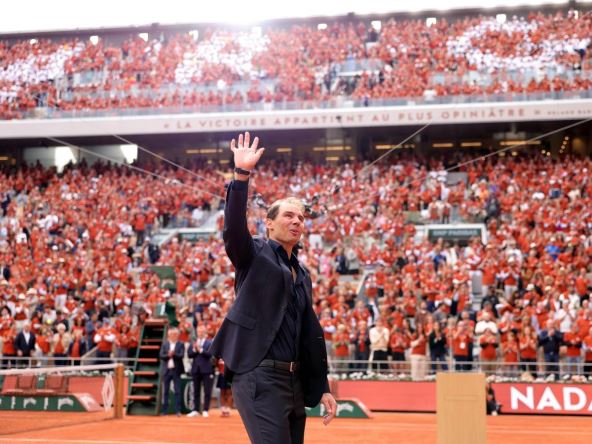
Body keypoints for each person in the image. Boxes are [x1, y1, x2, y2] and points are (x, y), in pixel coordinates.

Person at [210, 132, 336, 444]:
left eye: (301, 218)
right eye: (289, 216)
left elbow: (308, 331)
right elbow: (233, 229)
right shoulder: (254, 253)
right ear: (269, 223)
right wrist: (241, 175)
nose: (297, 222)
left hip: (293, 382)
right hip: (259, 376)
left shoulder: (302, 273)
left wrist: (321, 386)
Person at [187, 326, 215, 418]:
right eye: (199, 331)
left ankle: (205, 410)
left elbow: (210, 354)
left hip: (207, 369)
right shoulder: (193, 342)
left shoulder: (209, 342)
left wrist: (201, 350)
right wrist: (195, 350)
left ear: (205, 332)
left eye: (202, 331)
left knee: (207, 390)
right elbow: (189, 354)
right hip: (195, 369)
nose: (200, 333)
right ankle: (195, 410)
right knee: (196, 390)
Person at [159, 328, 185, 416]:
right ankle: (165, 411)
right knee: (165, 391)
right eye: (172, 334)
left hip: (176, 370)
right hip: (166, 370)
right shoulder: (165, 344)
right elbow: (161, 355)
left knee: (177, 391)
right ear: (169, 335)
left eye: (175, 334)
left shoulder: (181, 344)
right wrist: (168, 355)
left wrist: (173, 354)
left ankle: (178, 410)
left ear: (178, 335)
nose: (174, 336)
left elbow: (181, 355)